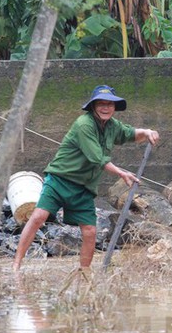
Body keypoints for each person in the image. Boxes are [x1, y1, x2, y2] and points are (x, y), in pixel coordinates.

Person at [12, 85, 160, 271]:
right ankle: (16, 264)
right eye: (101, 104)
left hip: (83, 188)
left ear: (114, 107)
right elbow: (97, 158)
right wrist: (122, 173)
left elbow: (130, 134)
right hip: (60, 180)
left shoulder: (112, 126)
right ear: (93, 106)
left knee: (90, 231)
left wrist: (146, 132)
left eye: (109, 104)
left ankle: (85, 272)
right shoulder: (84, 124)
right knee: (38, 217)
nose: (105, 108)